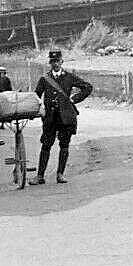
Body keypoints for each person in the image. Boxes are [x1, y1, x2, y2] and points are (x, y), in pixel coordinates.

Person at [34, 51, 92, 185]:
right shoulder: (44, 79)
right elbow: (36, 95)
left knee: (64, 145)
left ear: (61, 62)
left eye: (57, 61)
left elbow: (88, 87)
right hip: (50, 118)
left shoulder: (69, 77)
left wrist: (74, 99)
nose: (55, 64)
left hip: (65, 117)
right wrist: (40, 108)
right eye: (52, 62)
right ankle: (40, 176)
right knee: (46, 145)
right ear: (50, 63)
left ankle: (60, 174)